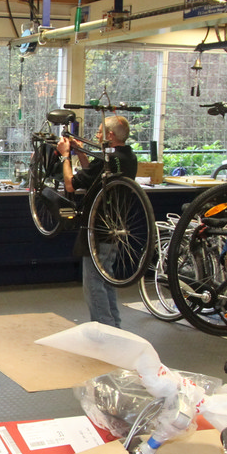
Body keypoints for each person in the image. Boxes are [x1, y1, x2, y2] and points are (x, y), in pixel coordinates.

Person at [56, 115, 138, 328]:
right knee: (106, 279)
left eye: (101, 132)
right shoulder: (127, 157)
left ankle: (103, 328)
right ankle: (114, 326)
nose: (97, 135)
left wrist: (65, 156)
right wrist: (82, 153)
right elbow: (92, 177)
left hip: (98, 226)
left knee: (93, 283)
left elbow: (71, 184)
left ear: (110, 135)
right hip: (116, 225)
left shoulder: (107, 160)